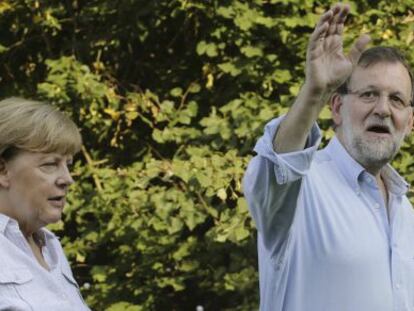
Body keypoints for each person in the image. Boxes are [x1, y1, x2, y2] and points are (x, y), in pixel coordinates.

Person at [243, 3, 414, 311]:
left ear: (410, 122)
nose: (383, 109)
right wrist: (314, 91)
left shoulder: (406, 213)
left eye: (397, 99)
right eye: (368, 94)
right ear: (336, 108)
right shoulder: (302, 187)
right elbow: (279, 165)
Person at [0, 97, 90, 310]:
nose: (67, 179)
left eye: (67, 165)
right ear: (3, 170)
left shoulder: (51, 246)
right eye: (50, 164)